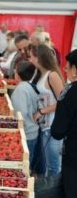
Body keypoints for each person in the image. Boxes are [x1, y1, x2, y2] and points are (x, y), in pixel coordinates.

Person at [29, 44, 64, 177]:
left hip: (53, 125)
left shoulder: (52, 75)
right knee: (48, 162)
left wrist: (41, 111)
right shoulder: (41, 74)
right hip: (44, 126)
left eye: (32, 56)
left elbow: (63, 101)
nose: (30, 59)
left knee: (53, 164)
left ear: (38, 58)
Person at [51, 49, 77, 198]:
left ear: (74, 69)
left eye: (67, 67)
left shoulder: (70, 92)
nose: (65, 71)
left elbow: (57, 132)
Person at [11, 61, 39, 168]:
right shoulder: (29, 86)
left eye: (15, 70)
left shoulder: (21, 90)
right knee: (28, 164)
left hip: (26, 134)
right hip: (32, 131)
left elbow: (20, 114)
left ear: (18, 74)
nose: (14, 71)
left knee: (24, 166)